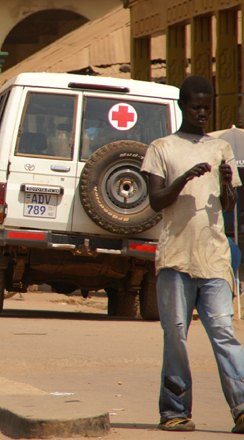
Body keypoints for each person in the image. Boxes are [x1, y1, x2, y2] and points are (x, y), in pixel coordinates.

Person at [141, 75, 244, 433]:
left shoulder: (220, 149)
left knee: (224, 332)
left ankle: (242, 407)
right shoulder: (161, 148)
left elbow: (229, 204)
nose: (202, 113)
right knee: (177, 335)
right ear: (183, 106)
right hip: (175, 257)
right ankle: (174, 410)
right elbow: (155, 200)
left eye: (207, 108)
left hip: (214, 258)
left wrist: (228, 182)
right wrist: (183, 178)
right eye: (196, 107)